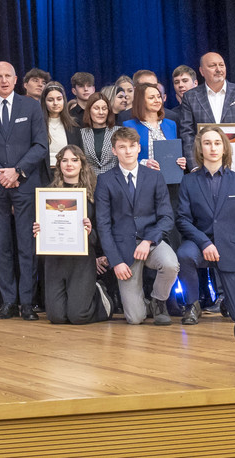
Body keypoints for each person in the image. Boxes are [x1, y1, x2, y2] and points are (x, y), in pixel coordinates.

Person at [0, 62, 49, 320]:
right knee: (0, 245)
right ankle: (8, 302)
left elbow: (40, 145)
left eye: (7, 76)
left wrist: (18, 171)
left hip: (25, 183)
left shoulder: (31, 107)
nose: (3, 80)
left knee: (27, 245)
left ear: (15, 80)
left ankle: (27, 303)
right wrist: (0, 174)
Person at [176, 125, 235, 323]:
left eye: (217, 143)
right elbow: (182, 219)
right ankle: (192, 305)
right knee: (184, 254)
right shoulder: (188, 181)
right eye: (207, 143)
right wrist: (204, 242)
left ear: (224, 148)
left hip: (232, 249)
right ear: (200, 149)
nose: (213, 148)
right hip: (200, 245)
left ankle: (228, 302)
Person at [96, 127, 179, 325]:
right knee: (135, 319)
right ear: (114, 150)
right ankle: (142, 306)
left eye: (132, 146)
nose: (128, 151)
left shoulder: (154, 176)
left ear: (139, 148)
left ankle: (158, 301)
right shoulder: (105, 180)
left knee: (170, 265)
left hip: (151, 241)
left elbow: (167, 217)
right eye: (122, 147)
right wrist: (116, 261)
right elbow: (103, 225)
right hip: (123, 248)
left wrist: (148, 240)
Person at [35, 145, 110, 325]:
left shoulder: (94, 193)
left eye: (74, 160)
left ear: (82, 164)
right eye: (65, 160)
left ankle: (100, 293)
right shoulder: (47, 194)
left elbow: (104, 228)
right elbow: (41, 227)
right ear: (59, 164)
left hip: (82, 260)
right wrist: (39, 230)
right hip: (55, 260)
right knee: (56, 317)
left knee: (78, 316)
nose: (69, 164)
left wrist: (90, 232)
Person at [177, 53, 235, 183]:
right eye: (212, 66)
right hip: (204, 175)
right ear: (202, 71)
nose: (218, 69)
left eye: (221, 65)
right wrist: (195, 168)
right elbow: (187, 135)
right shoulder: (191, 97)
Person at [40, 82, 76, 181]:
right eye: (50, 100)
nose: (55, 103)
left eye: (59, 99)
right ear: (44, 102)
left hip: (68, 174)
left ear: (64, 100)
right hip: (43, 175)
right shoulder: (37, 124)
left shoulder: (74, 125)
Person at [79, 94, 118, 174]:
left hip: (115, 179)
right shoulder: (81, 134)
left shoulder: (118, 132)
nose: (101, 112)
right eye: (96, 108)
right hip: (90, 179)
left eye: (104, 108)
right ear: (89, 110)